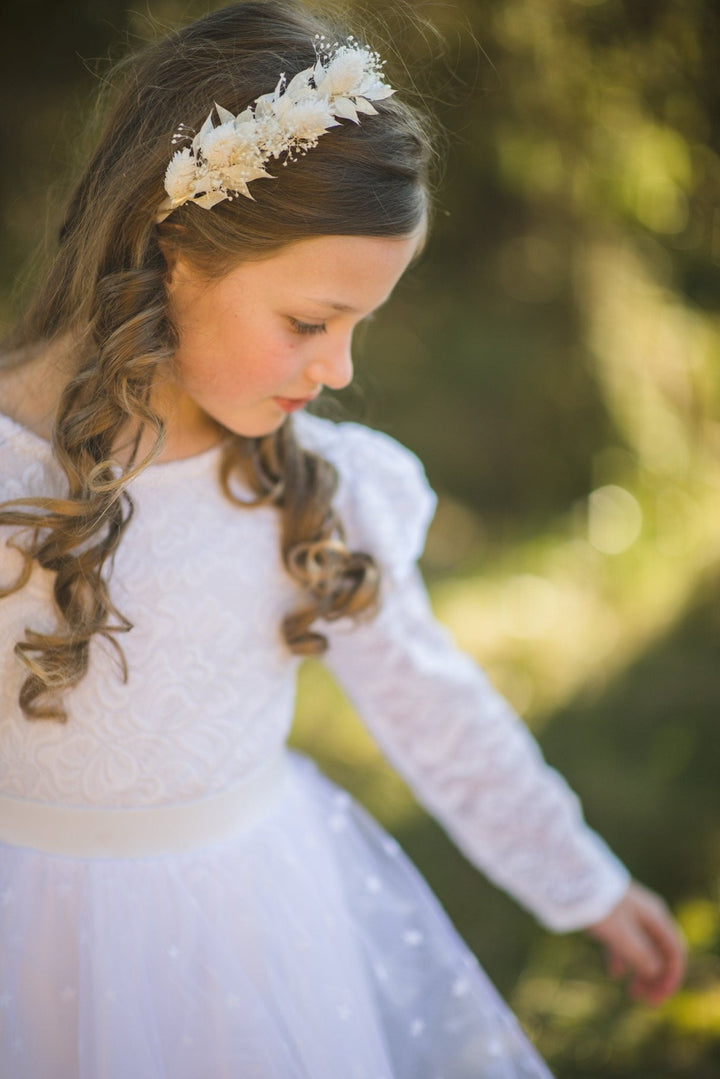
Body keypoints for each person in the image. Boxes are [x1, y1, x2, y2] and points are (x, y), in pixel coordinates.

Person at [0, 2, 685, 1076]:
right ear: (171, 244)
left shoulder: (313, 494)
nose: (339, 371)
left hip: (246, 936)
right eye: (312, 322)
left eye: (360, 326)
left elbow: (434, 704)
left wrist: (580, 877)